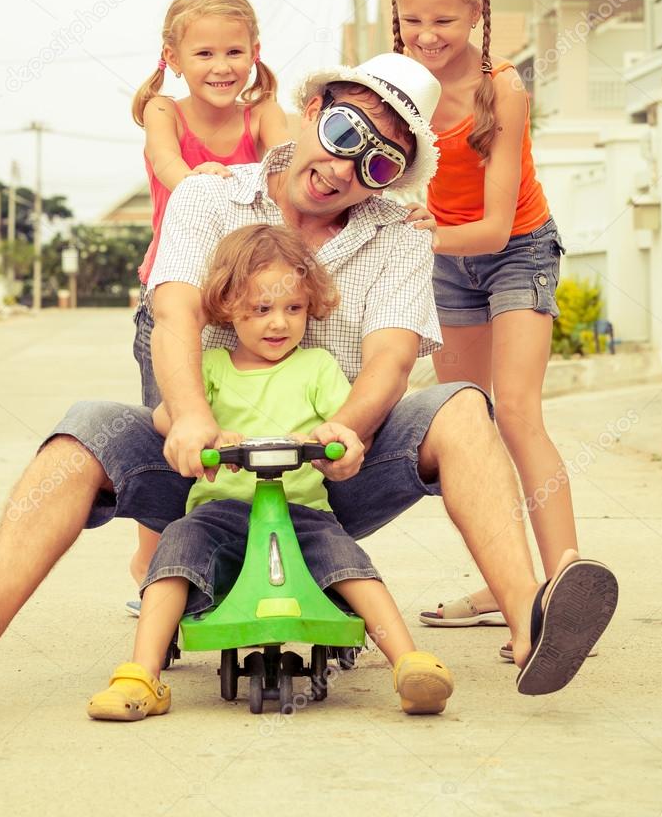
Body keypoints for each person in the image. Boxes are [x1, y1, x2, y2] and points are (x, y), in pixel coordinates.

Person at [0, 52, 617, 711]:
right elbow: (173, 316)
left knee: (461, 406)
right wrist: (192, 419)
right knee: (84, 430)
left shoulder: (396, 231)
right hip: (207, 466)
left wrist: (344, 429)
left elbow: (392, 359)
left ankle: (531, 622)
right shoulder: (210, 198)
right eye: (345, 136)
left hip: (328, 468)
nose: (345, 168)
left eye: (379, 163)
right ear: (316, 110)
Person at [87, 224, 454, 720]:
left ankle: (410, 663)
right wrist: (202, 429)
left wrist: (336, 444)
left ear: (311, 306)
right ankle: (141, 673)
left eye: (293, 308)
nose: (278, 322)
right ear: (226, 307)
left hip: (302, 511)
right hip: (219, 512)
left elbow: (343, 427)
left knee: (346, 559)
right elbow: (165, 417)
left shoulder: (316, 368)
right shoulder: (212, 368)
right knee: (175, 547)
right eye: (261, 309)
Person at [390, 0, 585, 653]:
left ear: (476, 11)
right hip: (443, 261)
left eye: (444, 20)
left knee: (518, 413)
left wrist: (418, 238)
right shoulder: (391, 83)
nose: (427, 35)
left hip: (515, 251)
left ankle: (566, 588)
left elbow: (497, 223)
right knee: (463, 428)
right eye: (414, 20)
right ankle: (511, 589)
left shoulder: (502, 88)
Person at [128, 0, 291, 608]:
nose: (221, 67)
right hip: (173, 296)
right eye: (203, 54)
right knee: (170, 434)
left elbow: (286, 159)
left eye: (233, 51)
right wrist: (197, 179)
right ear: (172, 56)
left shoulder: (263, 111)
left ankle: (242, 554)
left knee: (244, 429)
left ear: (254, 50)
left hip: (246, 300)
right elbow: (168, 166)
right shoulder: (164, 112)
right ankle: (152, 568)